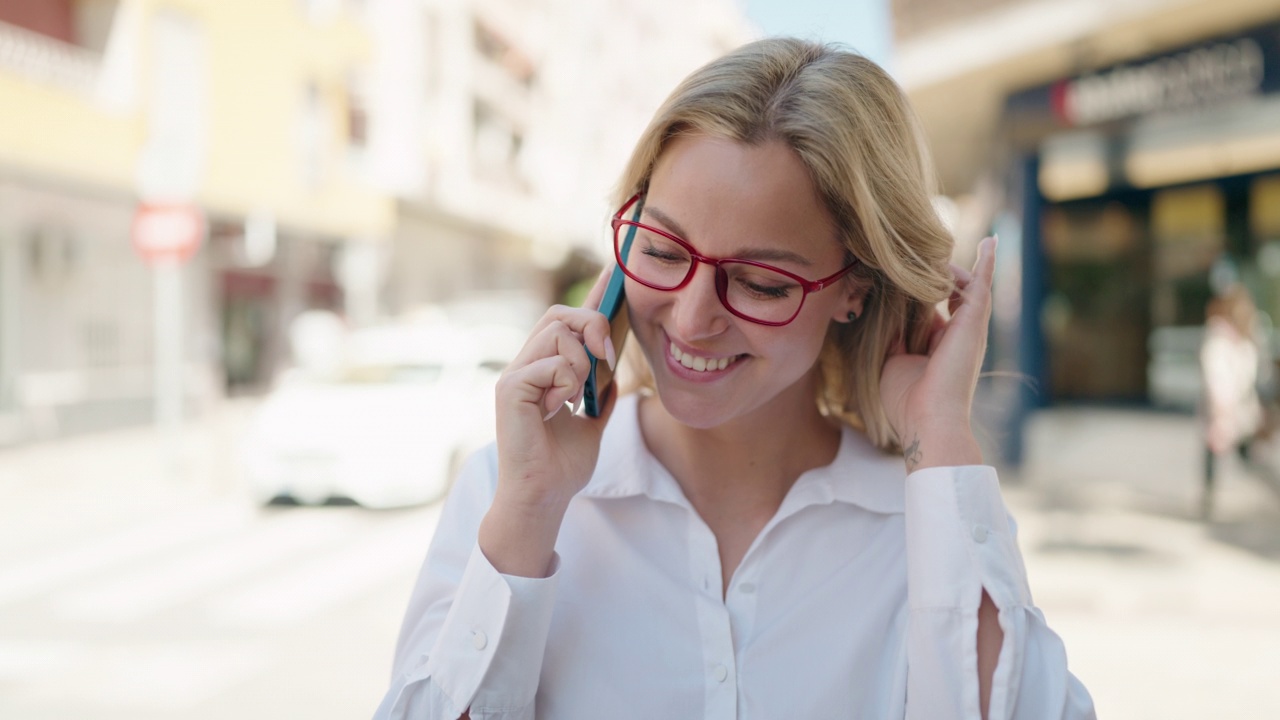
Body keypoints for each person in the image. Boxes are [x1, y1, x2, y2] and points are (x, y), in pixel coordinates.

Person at [375, 38, 1095, 719]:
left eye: (759, 282)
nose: (690, 321)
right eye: (660, 248)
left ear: (857, 289)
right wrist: (530, 510)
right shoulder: (508, 491)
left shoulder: (930, 520)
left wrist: (941, 432)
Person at [1199, 284, 1265, 520]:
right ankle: (1207, 502)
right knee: (1218, 456)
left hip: (1231, 410)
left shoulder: (1239, 339)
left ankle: (1207, 502)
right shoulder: (1229, 338)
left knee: (1243, 458)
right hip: (1228, 409)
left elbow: (1223, 377)